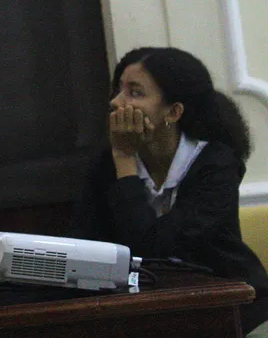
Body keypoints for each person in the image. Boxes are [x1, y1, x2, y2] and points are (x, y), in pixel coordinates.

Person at [71, 46, 268, 336]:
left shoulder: (216, 163)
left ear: (173, 112)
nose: (116, 102)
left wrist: (125, 159)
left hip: (228, 305)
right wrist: (122, 160)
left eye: (135, 93)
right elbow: (86, 243)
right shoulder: (105, 163)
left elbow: (151, 248)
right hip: (140, 309)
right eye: (119, 90)